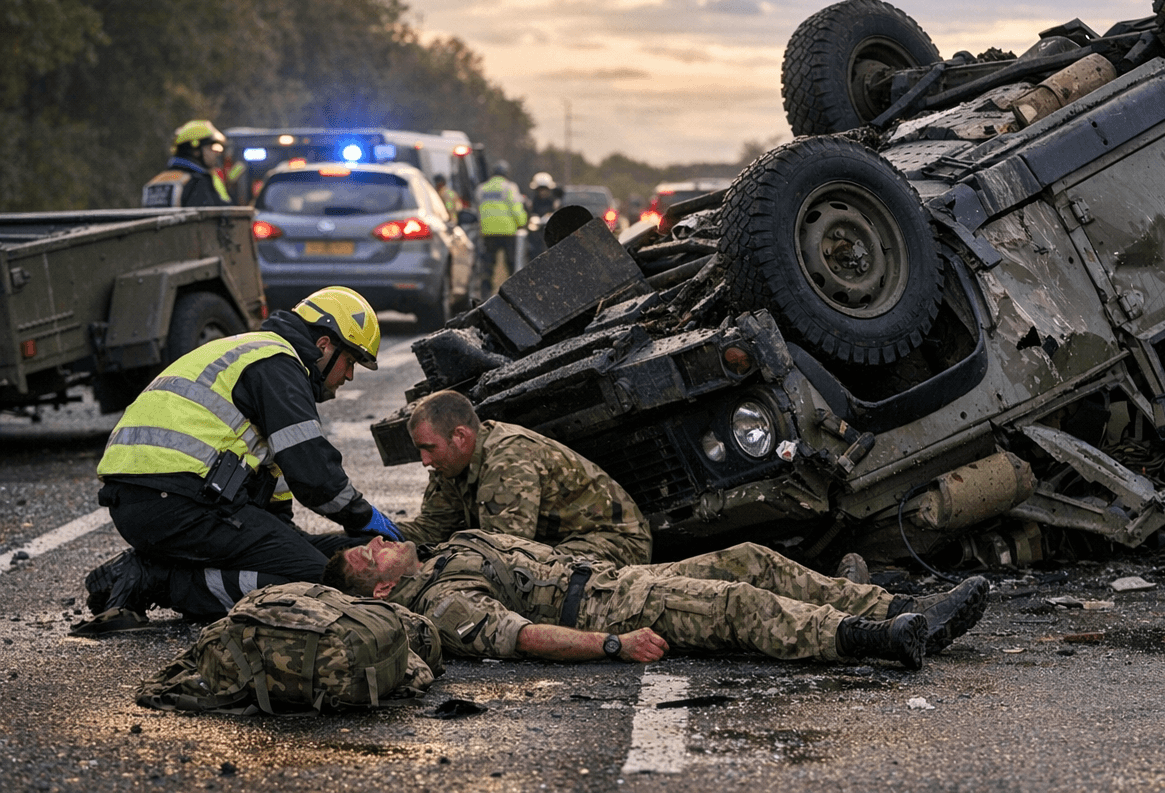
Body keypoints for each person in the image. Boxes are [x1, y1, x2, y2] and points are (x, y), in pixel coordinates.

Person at [77, 287, 403, 632]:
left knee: (310, 554)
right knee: (313, 581)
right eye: (350, 362)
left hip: (160, 497)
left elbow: (274, 485)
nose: (349, 376)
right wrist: (362, 517)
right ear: (324, 345)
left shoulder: (255, 353)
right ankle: (155, 578)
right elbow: (313, 474)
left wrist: (295, 538)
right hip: (175, 500)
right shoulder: (279, 365)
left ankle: (155, 568)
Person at [325, 531, 992, 670]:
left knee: (748, 557)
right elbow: (519, 638)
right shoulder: (442, 600)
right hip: (603, 609)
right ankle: (877, 637)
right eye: (368, 555)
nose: (379, 542)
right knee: (732, 604)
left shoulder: (450, 546)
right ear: (382, 588)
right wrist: (614, 645)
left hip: (615, 576)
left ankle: (893, 603)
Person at [392, 390, 650, 565]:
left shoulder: (508, 458)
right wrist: (371, 528)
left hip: (614, 542)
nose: (425, 460)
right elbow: (431, 529)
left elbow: (502, 552)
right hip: (557, 542)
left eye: (429, 448)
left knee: (537, 579)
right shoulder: (450, 464)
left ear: (460, 436)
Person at [142, 119, 233, 207]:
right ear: (195, 150)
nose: (217, 153)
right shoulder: (197, 182)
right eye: (213, 147)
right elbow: (210, 220)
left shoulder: (152, 184)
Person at [473, 161, 527, 298]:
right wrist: (522, 222)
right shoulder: (509, 187)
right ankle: (514, 294)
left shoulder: (482, 189)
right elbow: (516, 207)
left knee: (488, 265)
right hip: (508, 231)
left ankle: (485, 294)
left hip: (488, 232)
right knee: (511, 264)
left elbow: (478, 208)